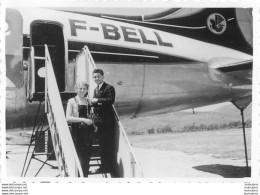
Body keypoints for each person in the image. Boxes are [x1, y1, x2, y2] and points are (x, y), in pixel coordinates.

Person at [89, 68, 116, 173]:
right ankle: (104, 167)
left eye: (98, 76)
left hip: (107, 122)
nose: (96, 78)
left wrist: (97, 100)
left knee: (107, 145)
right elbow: (96, 104)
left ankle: (108, 167)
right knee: (102, 145)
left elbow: (110, 101)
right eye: (94, 77)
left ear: (103, 77)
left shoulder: (109, 88)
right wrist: (91, 102)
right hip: (100, 122)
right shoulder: (96, 90)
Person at [66, 81, 94, 177]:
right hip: (77, 131)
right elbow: (68, 118)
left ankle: (85, 176)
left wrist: (94, 123)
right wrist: (83, 120)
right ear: (76, 89)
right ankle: (78, 176)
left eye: (84, 89)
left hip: (88, 131)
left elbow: (92, 115)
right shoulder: (71, 101)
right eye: (80, 88)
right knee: (79, 155)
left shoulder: (88, 101)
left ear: (87, 90)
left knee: (87, 155)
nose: (82, 90)